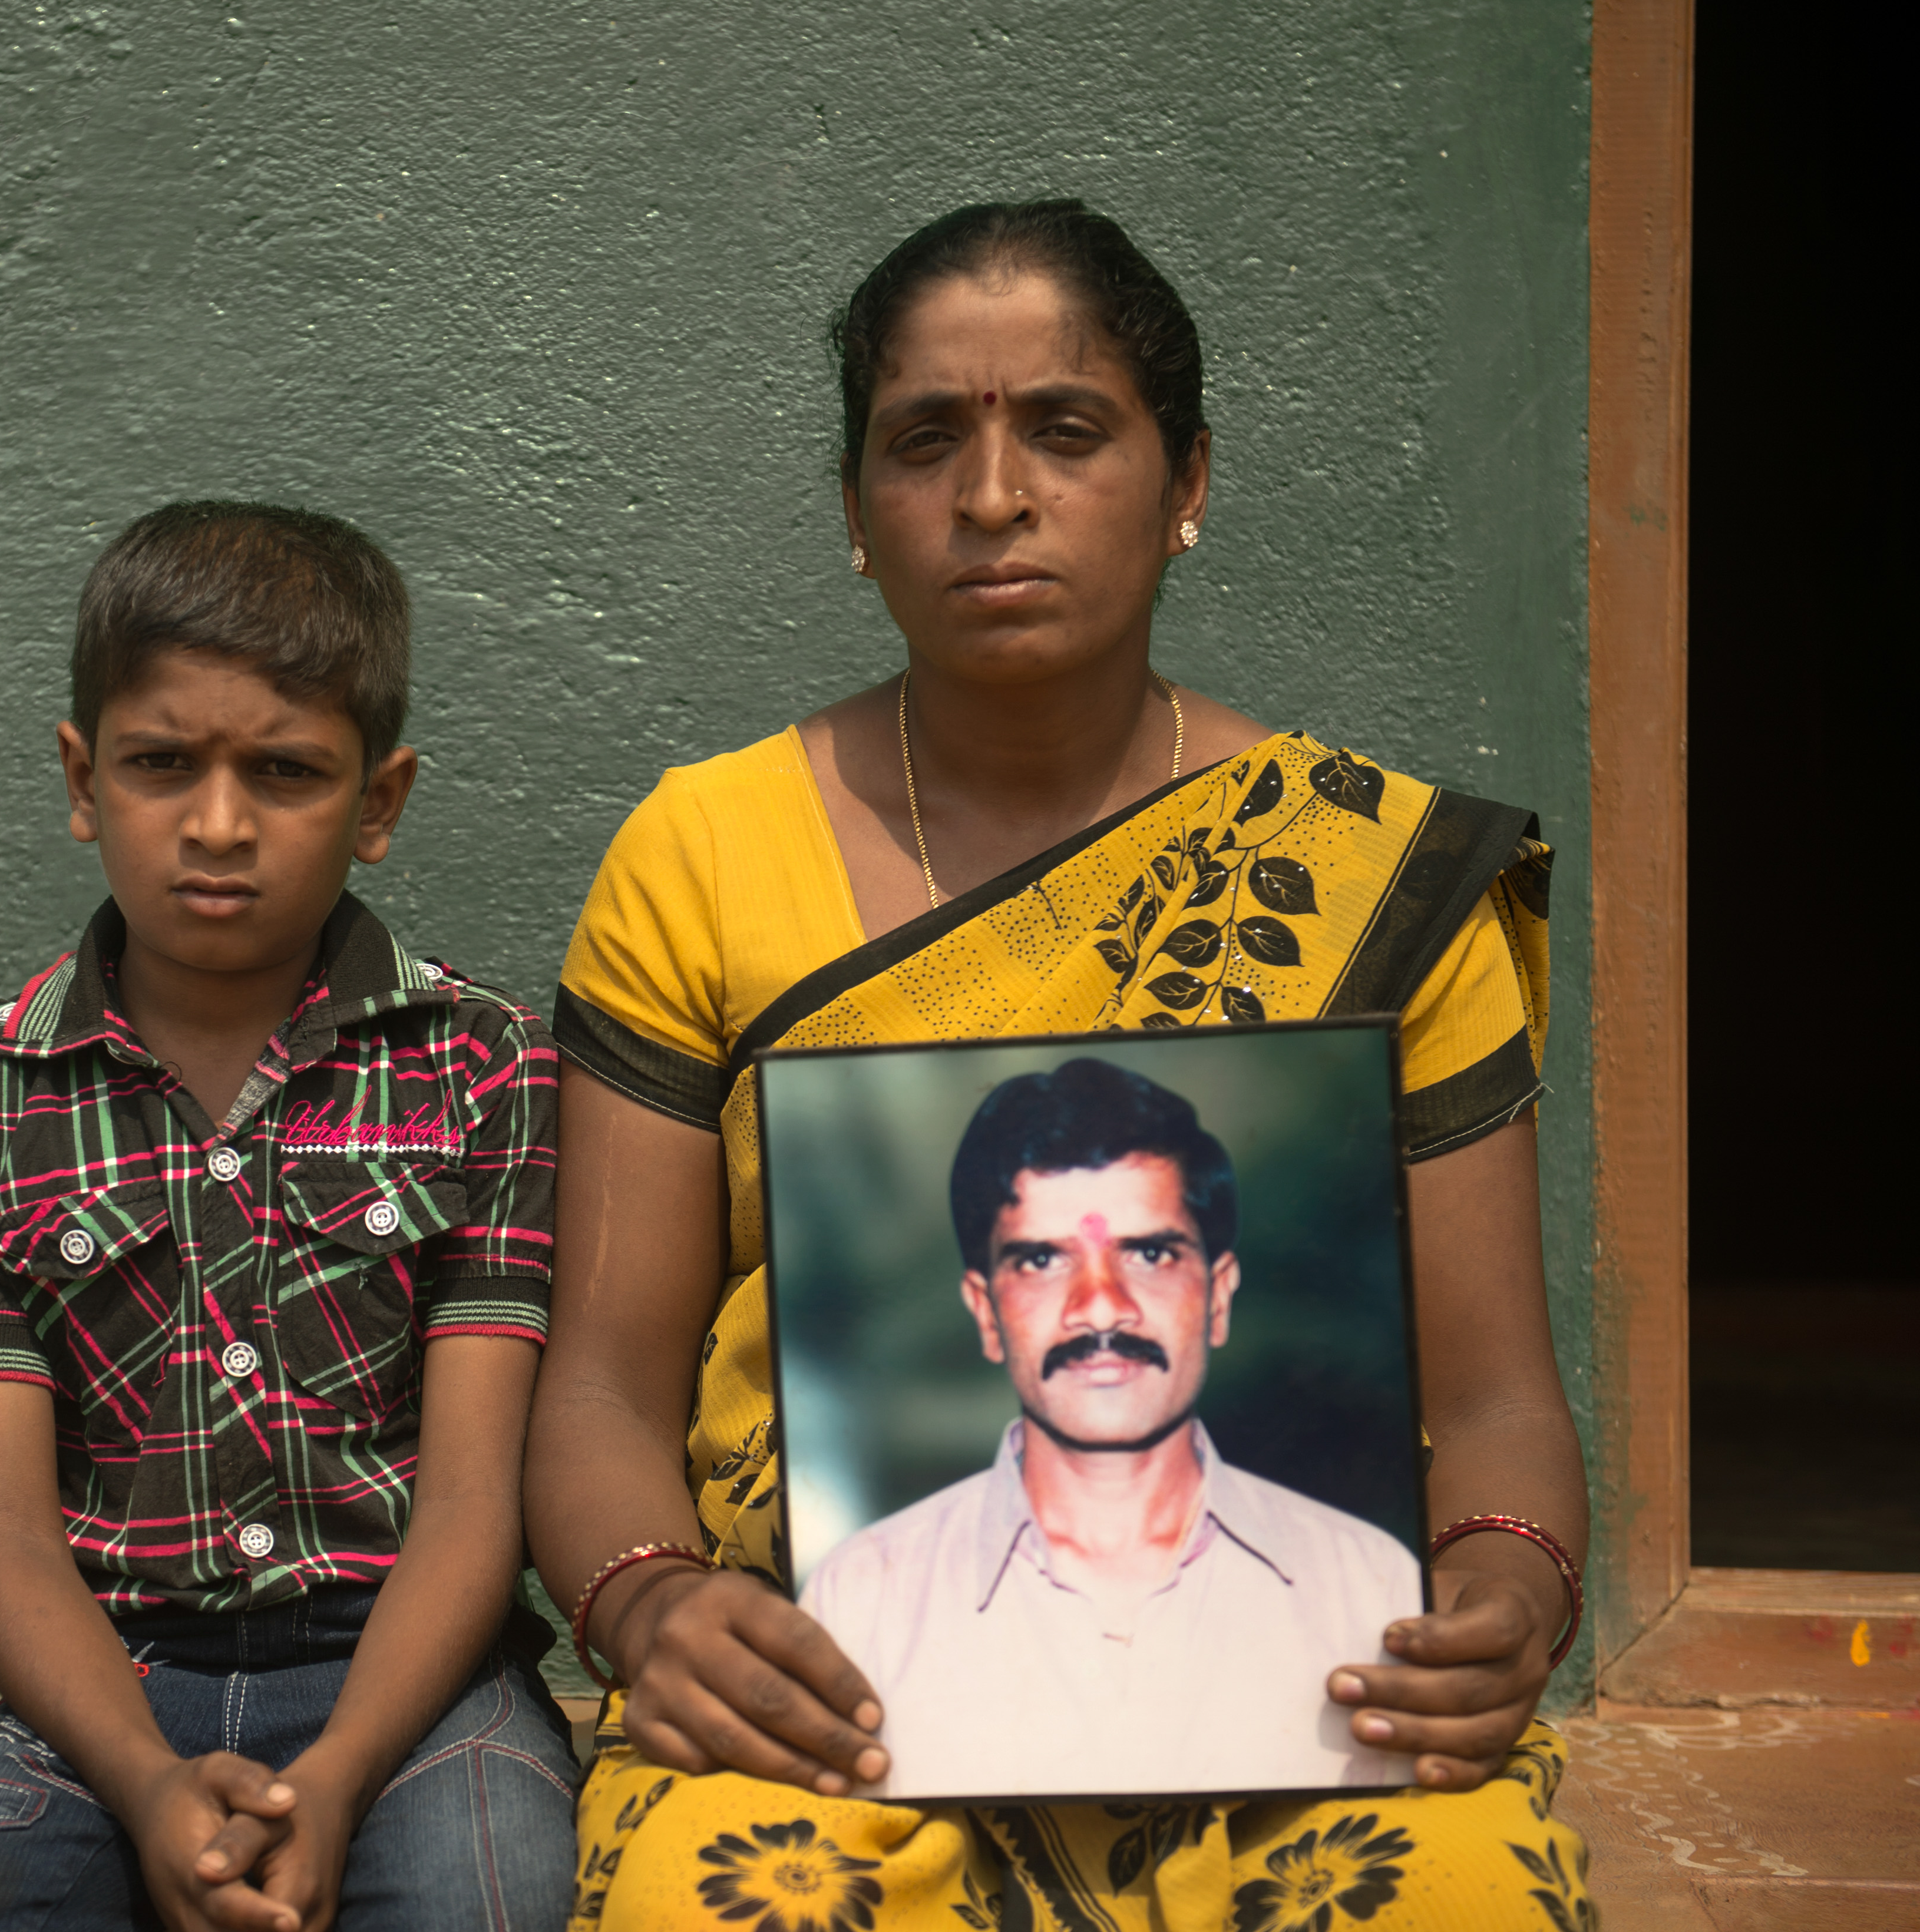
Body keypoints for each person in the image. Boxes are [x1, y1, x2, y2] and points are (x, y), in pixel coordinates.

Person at [525, 203, 1593, 1930]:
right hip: (821, 1695)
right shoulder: (702, 852)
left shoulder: (1377, 876)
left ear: (1185, 484)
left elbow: (1490, 1406)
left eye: (1067, 431)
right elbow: (599, 1389)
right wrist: (653, 1607)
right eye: (923, 440)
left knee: (1462, 1888)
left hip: (1304, 1704)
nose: (992, 495)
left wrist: (1502, 1590)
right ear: (855, 513)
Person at [0, 502, 579, 1932]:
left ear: (381, 800)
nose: (218, 823)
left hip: (410, 1681)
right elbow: (3, 1535)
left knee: (500, 1893)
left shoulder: (485, 1065)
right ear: (83, 776)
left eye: (285, 773)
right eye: (163, 765)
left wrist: (341, 1774)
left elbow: (475, 1500)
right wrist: (147, 1780)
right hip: (101, 1684)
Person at [797, 1056, 1423, 1799]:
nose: (1099, 1308)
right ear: (983, 1312)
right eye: (1040, 1261)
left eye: (1150, 1254)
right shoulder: (860, 1596)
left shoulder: (1368, 1584)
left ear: (1218, 1296)